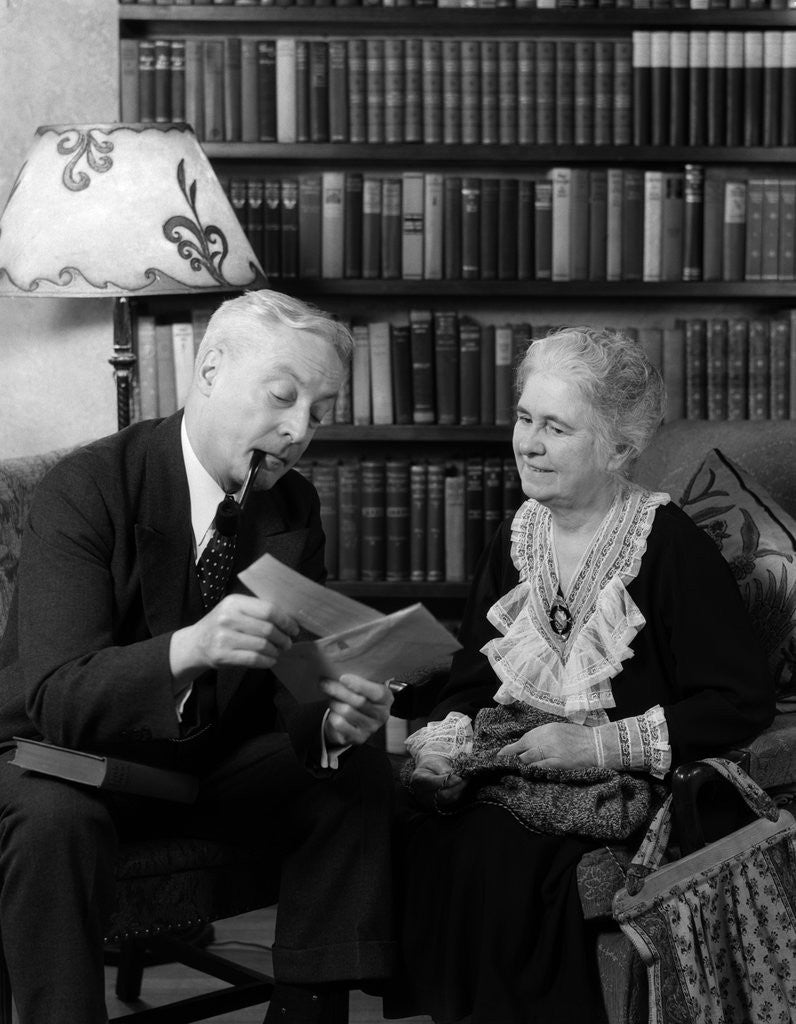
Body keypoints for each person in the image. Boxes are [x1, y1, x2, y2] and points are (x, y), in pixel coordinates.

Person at [0, 289, 397, 1024]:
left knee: (355, 768)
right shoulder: (87, 487)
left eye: (320, 412)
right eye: (282, 396)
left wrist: (332, 716)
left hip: (202, 759)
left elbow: (293, 668)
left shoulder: (291, 505)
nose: (299, 431)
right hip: (61, 757)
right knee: (55, 821)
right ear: (210, 370)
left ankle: (306, 1014)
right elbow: (57, 697)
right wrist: (192, 647)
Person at [398, 326, 775, 1024]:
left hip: (632, 781)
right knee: (422, 826)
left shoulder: (670, 548)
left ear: (619, 448)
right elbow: (475, 676)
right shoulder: (518, 536)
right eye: (525, 418)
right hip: (518, 764)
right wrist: (444, 748)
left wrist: (596, 746)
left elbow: (737, 703)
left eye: (556, 427)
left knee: (502, 855)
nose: (529, 444)